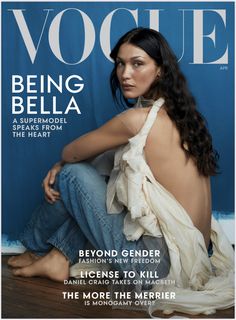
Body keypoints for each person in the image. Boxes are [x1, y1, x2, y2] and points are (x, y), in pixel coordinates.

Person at [8, 28, 234, 315]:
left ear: (161, 70)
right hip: (195, 261)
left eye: (137, 63)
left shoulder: (136, 120)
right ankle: (58, 257)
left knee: (71, 174)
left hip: (155, 267)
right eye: (120, 63)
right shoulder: (182, 117)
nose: (125, 73)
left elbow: (71, 153)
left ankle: (36, 248)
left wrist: (60, 163)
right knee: (108, 176)